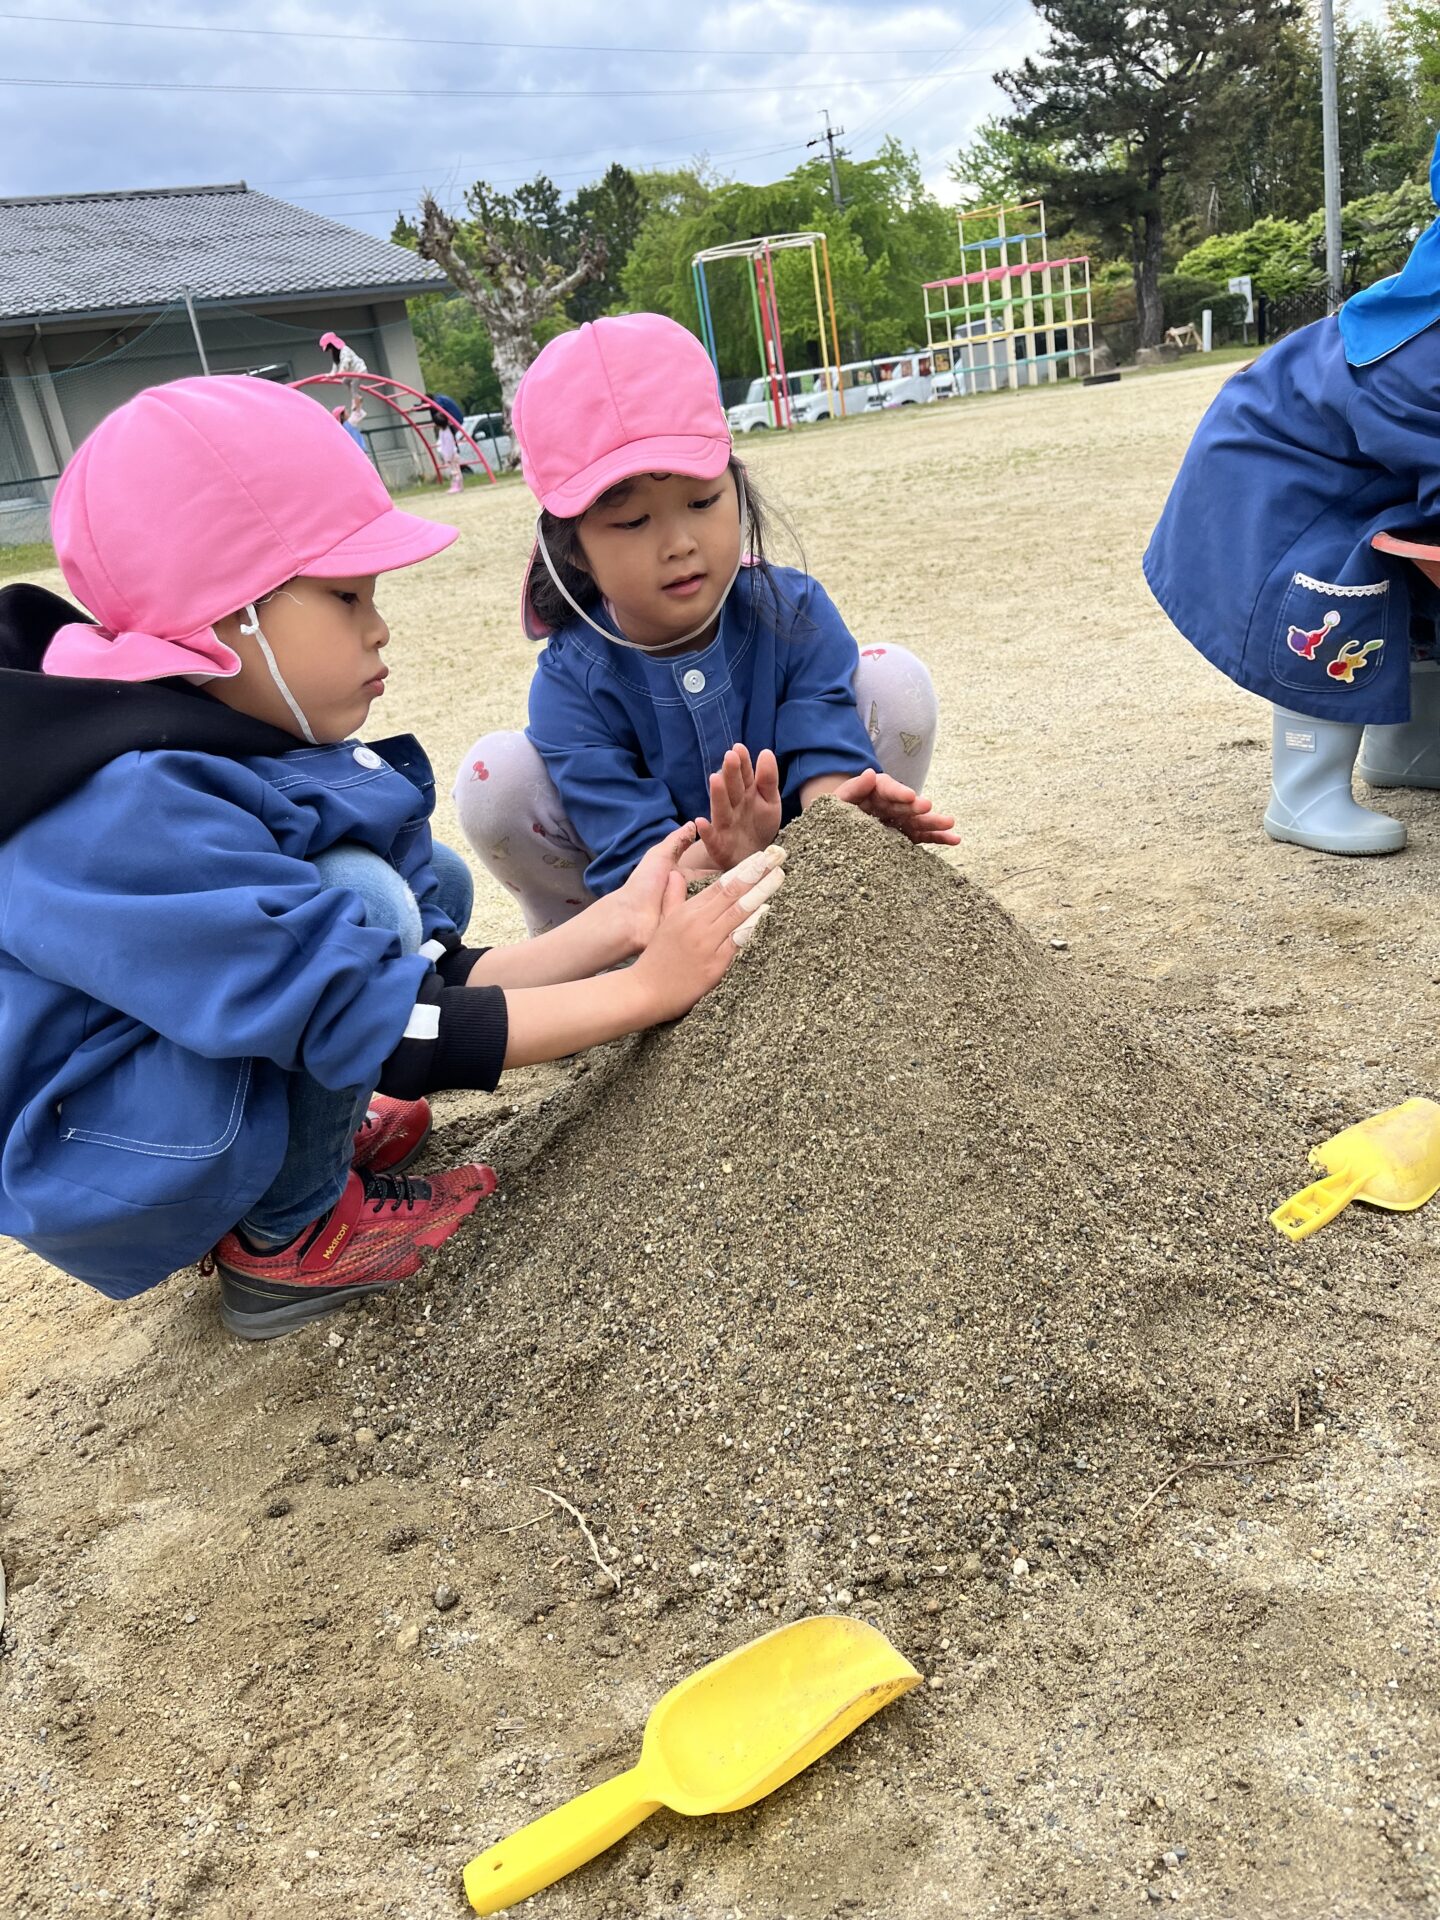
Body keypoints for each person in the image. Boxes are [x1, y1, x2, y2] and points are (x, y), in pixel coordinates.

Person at [0, 378, 783, 1339]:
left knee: (418, 887)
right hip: (106, 1150)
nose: (378, 627)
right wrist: (643, 991)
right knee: (363, 896)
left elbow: (423, 979)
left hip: (162, 1084)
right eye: (345, 597)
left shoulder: (208, 725)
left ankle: (299, 1148)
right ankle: (288, 1233)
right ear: (227, 615)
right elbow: (370, 1020)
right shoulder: (129, 808)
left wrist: (616, 925)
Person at [453, 312, 956, 935]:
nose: (680, 543)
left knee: (895, 678)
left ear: (736, 488)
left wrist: (841, 818)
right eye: (633, 522)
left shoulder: (792, 609)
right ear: (572, 549)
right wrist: (721, 860)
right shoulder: (569, 683)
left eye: (702, 501)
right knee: (496, 777)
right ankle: (578, 940)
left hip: (799, 866)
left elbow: (826, 745)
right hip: (658, 895)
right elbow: (634, 856)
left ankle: (862, 905)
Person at [1144, 131, 1440, 857]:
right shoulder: (1424, 350)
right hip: (1271, 473)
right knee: (1335, 581)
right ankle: (1304, 792)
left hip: (1346, 470)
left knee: (1410, 555)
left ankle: (1409, 748)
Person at [434, 411, 464, 496]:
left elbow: (449, 446)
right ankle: (459, 487)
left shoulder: (447, 432)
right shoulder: (443, 431)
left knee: (454, 471)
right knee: (456, 470)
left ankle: (457, 486)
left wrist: (447, 457)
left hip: (451, 454)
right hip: (451, 453)